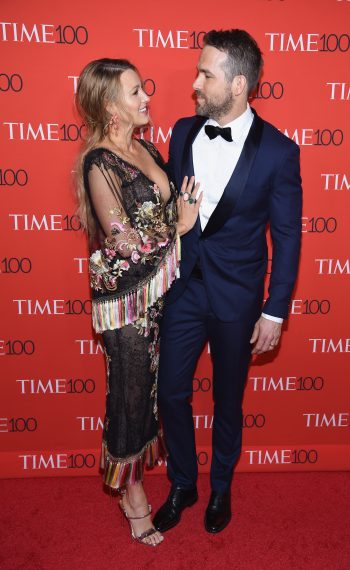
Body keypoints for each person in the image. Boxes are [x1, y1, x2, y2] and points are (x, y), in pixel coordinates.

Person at [153, 29, 302, 534]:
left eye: (206, 74)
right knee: (171, 392)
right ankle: (183, 482)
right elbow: (177, 210)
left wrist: (275, 310)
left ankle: (220, 488)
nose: (195, 82)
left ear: (238, 84)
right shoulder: (180, 133)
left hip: (239, 298)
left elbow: (286, 236)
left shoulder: (280, 152)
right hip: (185, 289)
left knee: (228, 400)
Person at [75, 58, 201, 546]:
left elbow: (166, 211)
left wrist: (184, 210)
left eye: (142, 88)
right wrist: (182, 225)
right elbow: (126, 241)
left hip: (162, 299)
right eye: (134, 92)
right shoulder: (97, 162)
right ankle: (132, 499)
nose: (146, 96)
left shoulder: (147, 147)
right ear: (110, 105)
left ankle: (136, 485)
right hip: (127, 310)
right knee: (129, 399)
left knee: (153, 397)